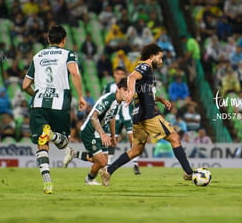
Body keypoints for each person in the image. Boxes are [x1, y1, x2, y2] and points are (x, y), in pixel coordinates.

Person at [100, 44, 194, 186]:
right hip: (149, 114)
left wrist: (160, 99)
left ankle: (108, 171)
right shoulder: (146, 66)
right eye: (160, 58)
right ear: (152, 56)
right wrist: (130, 92)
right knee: (175, 138)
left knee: (135, 150)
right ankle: (189, 173)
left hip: (138, 115)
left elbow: (144, 93)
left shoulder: (143, 70)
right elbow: (131, 78)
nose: (161, 61)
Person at [22, 25, 87, 194]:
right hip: (59, 103)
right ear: (64, 40)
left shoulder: (37, 56)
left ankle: (47, 183)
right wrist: (81, 95)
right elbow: (75, 73)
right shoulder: (69, 54)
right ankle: (50, 134)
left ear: (48, 39)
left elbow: (25, 85)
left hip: (39, 104)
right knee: (64, 142)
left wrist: (36, 93)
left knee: (41, 145)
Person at [63, 78, 128, 185]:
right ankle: (75, 157)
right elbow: (93, 118)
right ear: (118, 89)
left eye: (129, 91)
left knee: (104, 161)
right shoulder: (108, 99)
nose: (127, 93)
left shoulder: (118, 102)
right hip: (89, 131)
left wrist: (112, 136)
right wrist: (103, 135)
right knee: (102, 162)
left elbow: (112, 118)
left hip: (100, 131)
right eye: (125, 90)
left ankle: (89, 178)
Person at [100, 66, 140, 174]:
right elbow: (103, 99)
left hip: (128, 115)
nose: (120, 76)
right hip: (115, 116)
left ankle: (135, 163)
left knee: (132, 138)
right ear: (114, 74)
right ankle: (108, 163)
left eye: (122, 74)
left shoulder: (129, 85)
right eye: (118, 73)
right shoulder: (109, 86)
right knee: (113, 140)